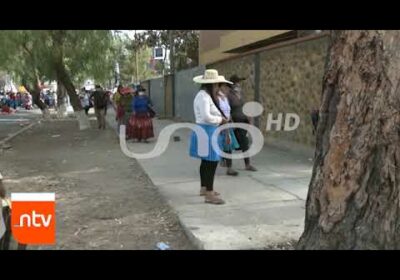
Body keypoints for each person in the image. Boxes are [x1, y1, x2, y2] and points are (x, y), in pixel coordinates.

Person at [189, 69, 230, 205]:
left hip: (208, 130)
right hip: (207, 131)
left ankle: (205, 188)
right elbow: (206, 116)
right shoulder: (204, 97)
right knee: (211, 162)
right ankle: (209, 193)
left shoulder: (205, 95)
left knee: (206, 162)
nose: (218, 87)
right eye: (217, 84)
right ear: (212, 84)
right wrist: (220, 120)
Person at [227, 74, 257, 172]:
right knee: (230, 144)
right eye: (237, 83)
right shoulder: (229, 95)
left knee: (244, 143)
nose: (239, 85)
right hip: (234, 122)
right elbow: (226, 109)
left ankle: (247, 164)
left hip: (243, 122)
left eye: (239, 83)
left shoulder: (239, 95)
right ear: (232, 84)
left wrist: (249, 119)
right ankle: (229, 166)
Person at [217, 83, 240, 176]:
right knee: (222, 144)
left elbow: (228, 111)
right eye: (225, 87)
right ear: (220, 87)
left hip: (227, 123)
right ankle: (221, 160)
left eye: (227, 87)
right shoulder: (216, 98)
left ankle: (229, 167)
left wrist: (231, 120)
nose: (227, 89)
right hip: (220, 124)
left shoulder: (225, 98)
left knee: (229, 145)